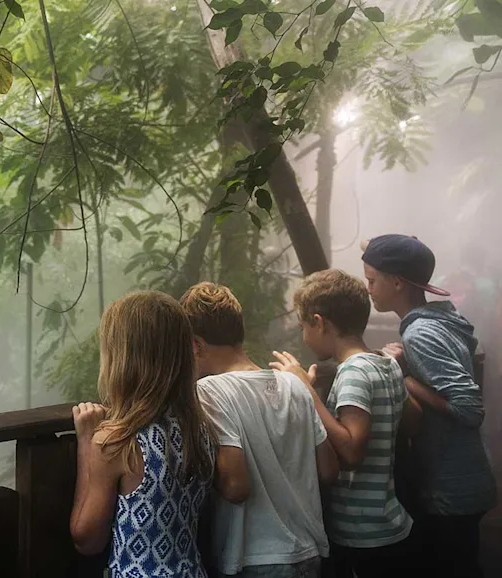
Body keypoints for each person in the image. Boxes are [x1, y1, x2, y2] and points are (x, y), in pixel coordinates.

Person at [361, 234, 497, 578]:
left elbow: (469, 408)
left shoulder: (421, 334)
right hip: (465, 479)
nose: (369, 289)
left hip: (451, 488)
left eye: (372, 281)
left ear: (397, 282)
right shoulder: (436, 322)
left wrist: (403, 376)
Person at [179, 282, 337, 578]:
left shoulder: (210, 391)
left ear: (196, 345)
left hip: (256, 559)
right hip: (309, 553)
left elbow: (236, 487)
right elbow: (328, 469)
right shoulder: (294, 384)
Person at [271, 269, 417, 577]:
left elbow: (351, 452)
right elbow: (414, 421)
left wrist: (305, 389)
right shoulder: (385, 364)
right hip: (389, 520)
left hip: (362, 532)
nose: (303, 336)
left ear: (319, 322)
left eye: (303, 326)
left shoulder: (353, 372)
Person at [69, 290, 215, 577]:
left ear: (122, 360)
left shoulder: (117, 442)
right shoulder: (199, 430)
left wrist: (86, 441)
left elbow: (86, 539)